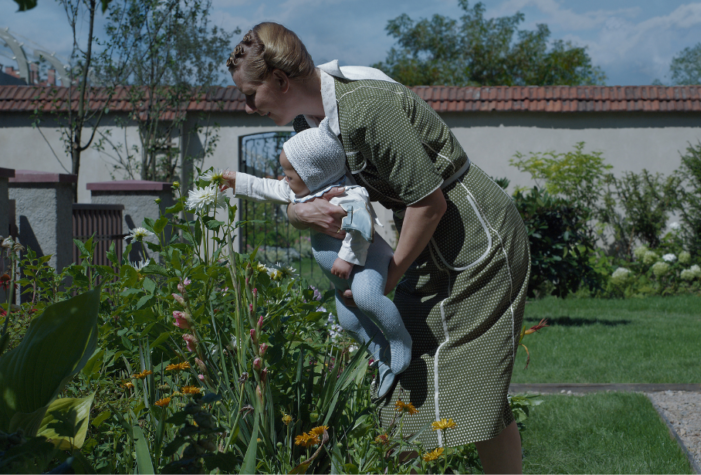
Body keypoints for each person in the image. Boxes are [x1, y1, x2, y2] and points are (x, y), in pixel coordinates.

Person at [222, 22, 531, 474]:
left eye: (251, 95)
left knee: (475, 385)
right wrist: (297, 214)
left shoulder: (366, 108)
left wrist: (389, 277)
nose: (249, 108)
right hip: (431, 243)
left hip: (476, 238)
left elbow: (429, 202)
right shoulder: (314, 123)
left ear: (280, 81)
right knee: (405, 373)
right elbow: (310, 196)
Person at [225, 117, 413, 398]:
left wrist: (346, 259)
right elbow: (267, 188)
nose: (283, 179)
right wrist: (236, 181)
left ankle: (400, 340)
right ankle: (380, 354)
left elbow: (362, 228)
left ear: (313, 174)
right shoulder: (302, 192)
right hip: (341, 278)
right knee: (349, 322)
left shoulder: (349, 195)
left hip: (365, 263)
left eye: (290, 175)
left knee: (367, 298)